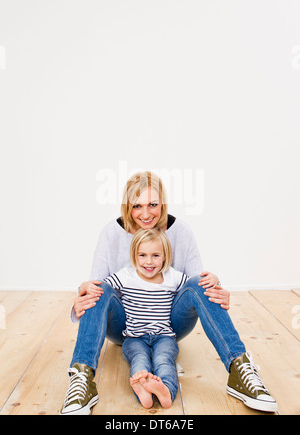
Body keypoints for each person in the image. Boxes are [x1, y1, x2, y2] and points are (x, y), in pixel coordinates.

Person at [60, 171, 277, 415]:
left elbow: (195, 284)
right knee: (98, 288)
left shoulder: (181, 232)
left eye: (153, 204)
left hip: (168, 325)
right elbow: (96, 287)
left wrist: (213, 288)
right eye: (137, 206)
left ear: (162, 202)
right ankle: (81, 377)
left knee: (200, 284)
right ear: (126, 205)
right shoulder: (110, 233)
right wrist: (82, 291)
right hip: (125, 326)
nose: (145, 214)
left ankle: (240, 369)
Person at [103, 227, 219, 409]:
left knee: (164, 360)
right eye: (142, 255)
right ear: (134, 255)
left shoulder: (173, 277)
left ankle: (166, 391)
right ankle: (143, 391)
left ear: (165, 257)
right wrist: (86, 285)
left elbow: (195, 288)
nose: (149, 262)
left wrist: (215, 280)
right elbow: (103, 290)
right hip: (134, 338)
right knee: (139, 361)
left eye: (155, 256)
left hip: (164, 336)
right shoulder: (125, 276)